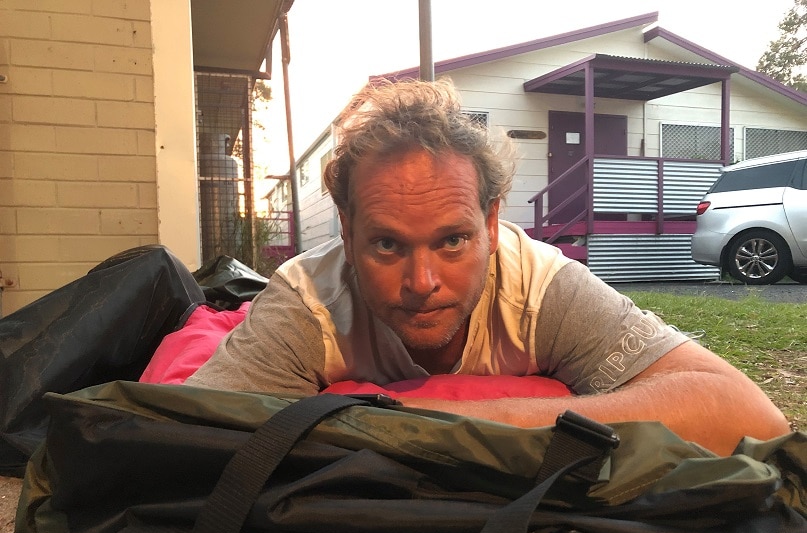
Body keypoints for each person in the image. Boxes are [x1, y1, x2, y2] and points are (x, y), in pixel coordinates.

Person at [185, 78, 790, 456]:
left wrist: (439, 419)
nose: (423, 284)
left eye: (452, 241)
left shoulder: (541, 287)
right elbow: (180, 440)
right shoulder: (306, 303)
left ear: (493, 222)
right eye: (387, 246)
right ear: (345, 231)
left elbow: (747, 414)